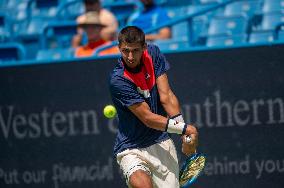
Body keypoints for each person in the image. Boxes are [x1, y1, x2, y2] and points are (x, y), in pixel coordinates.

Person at [109, 26, 198, 188]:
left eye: (135, 50)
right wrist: (186, 129)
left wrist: (183, 133)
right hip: (131, 147)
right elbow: (148, 119)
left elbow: (167, 97)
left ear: (144, 47)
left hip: (161, 143)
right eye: (125, 50)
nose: (130, 56)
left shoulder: (154, 54)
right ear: (119, 48)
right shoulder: (118, 80)